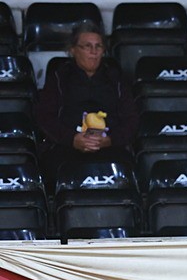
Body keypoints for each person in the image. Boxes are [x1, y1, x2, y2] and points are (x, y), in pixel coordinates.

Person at [34, 21, 138, 186]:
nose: (94, 52)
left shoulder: (115, 78)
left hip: (109, 146)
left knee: (126, 170)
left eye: (98, 47)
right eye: (87, 46)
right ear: (73, 50)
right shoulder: (59, 77)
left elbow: (131, 120)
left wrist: (110, 140)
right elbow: (44, 117)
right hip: (66, 146)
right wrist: (72, 139)